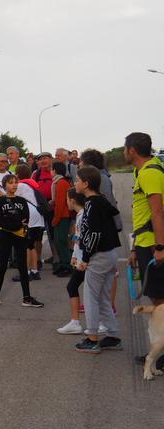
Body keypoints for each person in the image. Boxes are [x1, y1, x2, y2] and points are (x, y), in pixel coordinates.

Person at [123, 133, 164, 369]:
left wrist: (159, 248)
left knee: (160, 300)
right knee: (156, 297)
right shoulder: (146, 171)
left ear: (132, 151)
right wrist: (136, 249)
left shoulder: (150, 173)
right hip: (145, 241)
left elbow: (157, 212)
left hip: (153, 242)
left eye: (125, 148)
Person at [73, 166, 122, 354]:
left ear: (86, 184)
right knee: (103, 297)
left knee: (91, 297)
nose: (75, 183)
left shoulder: (92, 204)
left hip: (98, 255)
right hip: (109, 254)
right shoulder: (101, 201)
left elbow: (93, 233)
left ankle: (92, 338)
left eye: (77, 180)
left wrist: (84, 257)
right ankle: (112, 335)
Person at [0, 175, 44, 308]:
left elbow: (25, 219)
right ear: (5, 185)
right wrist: (16, 222)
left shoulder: (22, 201)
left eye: (16, 182)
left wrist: (13, 222)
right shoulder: (0, 202)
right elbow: (1, 221)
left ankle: (27, 298)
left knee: (22, 266)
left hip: (20, 236)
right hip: (5, 236)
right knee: (2, 266)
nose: (14, 185)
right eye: (11, 183)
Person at [57, 189, 88, 335]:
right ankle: (76, 321)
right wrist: (74, 255)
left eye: (67, 199)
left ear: (73, 201)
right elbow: (78, 239)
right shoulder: (81, 215)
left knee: (73, 286)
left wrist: (80, 258)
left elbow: (83, 240)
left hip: (85, 260)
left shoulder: (82, 216)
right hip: (81, 258)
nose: (66, 202)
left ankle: (76, 322)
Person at [15, 164, 46, 281]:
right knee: (31, 245)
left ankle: (26, 272)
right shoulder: (33, 184)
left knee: (25, 246)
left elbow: (10, 196)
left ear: (17, 175)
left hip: (29, 217)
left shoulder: (21, 185)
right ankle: (34, 270)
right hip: (38, 217)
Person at [50, 161, 74, 277]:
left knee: (61, 241)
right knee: (59, 241)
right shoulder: (60, 182)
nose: (50, 172)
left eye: (51, 169)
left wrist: (56, 219)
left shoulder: (61, 183)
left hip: (63, 216)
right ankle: (62, 263)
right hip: (62, 215)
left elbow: (60, 203)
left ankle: (67, 265)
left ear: (55, 170)